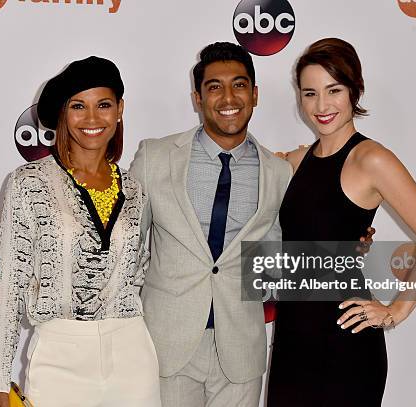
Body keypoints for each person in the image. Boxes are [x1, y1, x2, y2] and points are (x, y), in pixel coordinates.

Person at [266, 38, 416, 406]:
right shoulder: (294, 162)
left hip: (344, 343)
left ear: (355, 91)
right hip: (292, 338)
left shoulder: (372, 159)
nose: (321, 105)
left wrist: (396, 310)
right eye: (309, 93)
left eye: (333, 90)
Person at [0, 56, 161, 407]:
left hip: (132, 354)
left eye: (104, 105)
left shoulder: (136, 189)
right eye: (78, 106)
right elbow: (7, 287)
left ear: (120, 109)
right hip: (59, 356)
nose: (92, 118)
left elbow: (138, 273)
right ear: (63, 113)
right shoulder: (28, 183)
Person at [130, 42, 292, 406]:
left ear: (255, 94)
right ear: (197, 98)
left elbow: (276, 259)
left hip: (241, 350)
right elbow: (130, 247)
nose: (227, 97)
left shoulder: (279, 172)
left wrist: (347, 243)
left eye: (238, 85)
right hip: (166, 344)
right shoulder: (155, 158)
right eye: (214, 87)